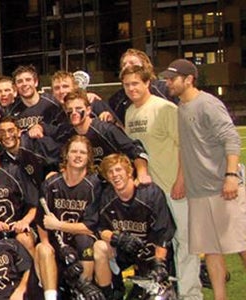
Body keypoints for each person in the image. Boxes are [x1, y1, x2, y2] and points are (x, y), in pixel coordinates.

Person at [164, 58, 246, 300]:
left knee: (241, 244)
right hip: (199, 192)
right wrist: (181, 179)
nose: (168, 83)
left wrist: (231, 176)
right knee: (210, 250)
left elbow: (232, 140)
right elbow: (185, 148)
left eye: (172, 78)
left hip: (223, 188)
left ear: (188, 79)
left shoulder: (208, 104)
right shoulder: (181, 107)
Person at [121, 64, 202, 299]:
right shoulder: (130, 113)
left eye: (136, 83)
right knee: (157, 244)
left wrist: (181, 180)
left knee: (185, 243)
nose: (131, 88)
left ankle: (191, 295)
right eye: (127, 85)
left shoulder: (165, 108)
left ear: (147, 83)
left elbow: (186, 146)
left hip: (173, 186)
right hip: (149, 193)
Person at [93, 154, 176, 300]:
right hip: (124, 251)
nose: (115, 175)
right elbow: (101, 229)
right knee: (99, 247)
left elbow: (164, 231)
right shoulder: (107, 196)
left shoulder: (150, 193)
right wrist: (117, 238)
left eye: (118, 170)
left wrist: (159, 263)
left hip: (150, 252)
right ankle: (111, 293)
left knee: (159, 295)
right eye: (110, 172)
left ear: (129, 172)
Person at [36, 136, 104, 300]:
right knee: (42, 249)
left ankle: (82, 291)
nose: (78, 155)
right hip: (58, 245)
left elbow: (90, 227)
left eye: (83, 152)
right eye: (74, 151)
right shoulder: (51, 183)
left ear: (89, 157)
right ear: (66, 155)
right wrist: (46, 241)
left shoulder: (94, 184)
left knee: (84, 240)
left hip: (81, 247)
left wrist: (58, 225)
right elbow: (41, 221)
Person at [62, 91, 151, 184]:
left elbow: (136, 150)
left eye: (78, 108)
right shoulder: (67, 134)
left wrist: (142, 173)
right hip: (92, 186)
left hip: (117, 184)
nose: (74, 113)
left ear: (88, 110)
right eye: (70, 110)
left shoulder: (105, 129)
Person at [107, 48, 174, 122]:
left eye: (132, 63)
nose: (127, 66)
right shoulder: (119, 98)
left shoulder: (163, 88)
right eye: (124, 64)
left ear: (145, 65)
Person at [9, 65, 64, 132]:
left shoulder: (53, 103)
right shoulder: (11, 110)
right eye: (20, 81)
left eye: (28, 80)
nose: (24, 84)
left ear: (36, 82)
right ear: (15, 86)